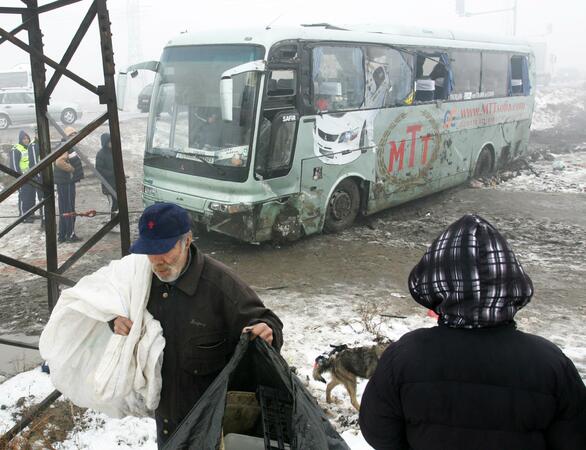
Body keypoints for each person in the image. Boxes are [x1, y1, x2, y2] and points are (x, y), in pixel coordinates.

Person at [359, 214, 586, 450]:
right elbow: (576, 439)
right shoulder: (549, 362)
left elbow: (377, 431)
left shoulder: (404, 357)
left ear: (435, 280)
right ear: (510, 280)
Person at [110, 202, 283, 447]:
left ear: (187, 240)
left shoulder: (220, 285)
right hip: (167, 423)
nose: (157, 260)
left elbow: (267, 321)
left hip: (210, 426)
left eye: (165, 249)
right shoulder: (141, 281)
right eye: (150, 250)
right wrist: (114, 319)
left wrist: (268, 331)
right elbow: (107, 300)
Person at [54, 126, 84, 243]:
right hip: (66, 182)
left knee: (64, 208)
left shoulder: (65, 146)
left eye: (75, 135)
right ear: (67, 136)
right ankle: (70, 235)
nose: (74, 137)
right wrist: (71, 169)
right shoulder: (66, 146)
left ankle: (62, 235)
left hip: (64, 182)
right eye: (72, 135)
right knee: (69, 208)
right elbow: (59, 162)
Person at [10, 130, 36, 222]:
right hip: (22, 178)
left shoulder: (29, 148)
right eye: (24, 139)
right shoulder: (16, 149)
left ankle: (31, 213)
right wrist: (19, 177)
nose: (26, 140)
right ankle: (23, 216)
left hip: (31, 176)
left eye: (27, 138)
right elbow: (14, 165)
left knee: (31, 195)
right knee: (23, 196)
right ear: (20, 139)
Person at [95, 133, 118, 220]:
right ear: (105, 142)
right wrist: (112, 173)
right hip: (108, 184)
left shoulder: (115, 151)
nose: (112, 143)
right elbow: (98, 170)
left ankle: (115, 220)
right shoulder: (100, 154)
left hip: (117, 183)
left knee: (117, 203)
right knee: (112, 203)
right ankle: (112, 222)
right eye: (110, 141)